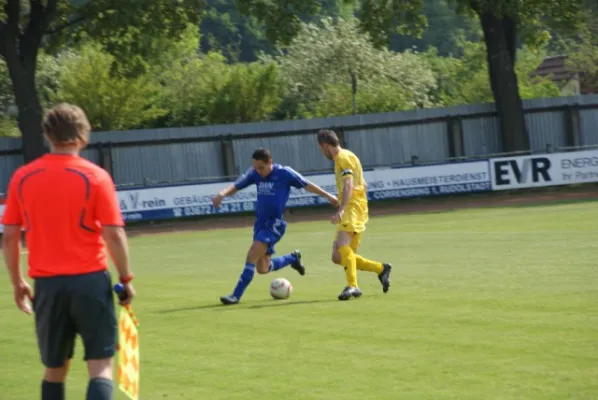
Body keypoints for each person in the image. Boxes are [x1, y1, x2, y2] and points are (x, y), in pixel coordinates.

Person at [1, 103, 135, 400]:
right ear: (84, 135)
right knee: (100, 366)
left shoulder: (22, 177)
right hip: (89, 281)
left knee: (54, 369)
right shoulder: (96, 177)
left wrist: (17, 282)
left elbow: (10, 236)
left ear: (48, 134)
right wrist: (126, 278)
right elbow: (113, 233)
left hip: (47, 287)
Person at [213, 148, 337, 305]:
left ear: (270, 162)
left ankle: (235, 296)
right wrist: (222, 194)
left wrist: (329, 196)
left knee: (252, 255)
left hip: (274, 224)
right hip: (260, 224)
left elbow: (307, 184)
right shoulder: (255, 173)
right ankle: (292, 258)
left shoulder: (285, 173)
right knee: (263, 268)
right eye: (256, 168)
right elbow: (236, 186)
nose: (258, 171)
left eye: (261, 168)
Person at [316, 129, 392, 301]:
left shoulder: (342, 158)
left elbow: (349, 183)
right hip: (355, 205)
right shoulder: (349, 155)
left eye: (321, 149)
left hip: (352, 207)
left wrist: (343, 207)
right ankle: (381, 269)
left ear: (325, 146)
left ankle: (353, 286)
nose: (322, 152)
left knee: (343, 246)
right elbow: (363, 184)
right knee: (337, 256)